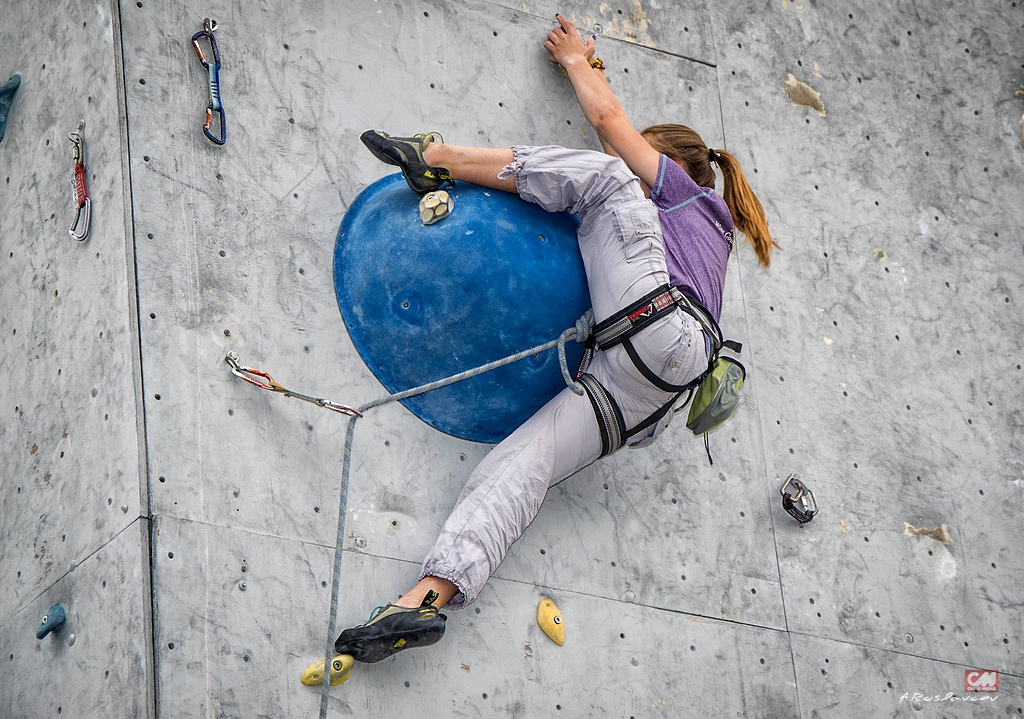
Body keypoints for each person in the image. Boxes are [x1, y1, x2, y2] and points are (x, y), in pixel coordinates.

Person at [333, 14, 776, 664]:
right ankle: (424, 598)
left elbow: (608, 121)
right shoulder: (714, 242)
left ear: (675, 165)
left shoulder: (684, 194)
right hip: (651, 395)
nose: (639, 159)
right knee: (524, 467)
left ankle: (435, 157)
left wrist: (578, 59)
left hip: (658, 324)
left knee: (606, 180)